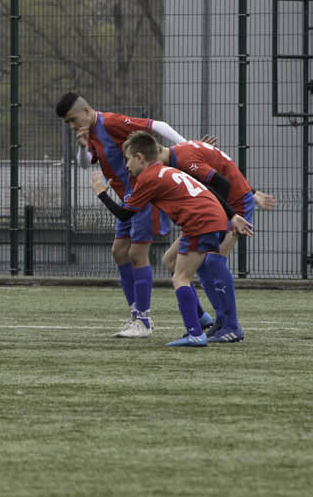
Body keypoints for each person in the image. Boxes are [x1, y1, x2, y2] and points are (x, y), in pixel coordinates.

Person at [92, 131, 253, 347]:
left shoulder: (148, 178)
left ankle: (196, 333)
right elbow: (207, 190)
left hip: (200, 220)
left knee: (181, 277)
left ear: (140, 157)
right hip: (210, 215)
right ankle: (202, 319)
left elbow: (124, 214)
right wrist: (230, 215)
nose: (126, 165)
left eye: (128, 159)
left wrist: (102, 193)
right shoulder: (165, 169)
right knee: (170, 259)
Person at [55, 92, 189, 338]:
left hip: (143, 196)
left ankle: (144, 321)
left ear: (86, 111)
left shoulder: (112, 123)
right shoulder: (91, 132)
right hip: (127, 199)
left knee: (137, 253)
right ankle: (137, 315)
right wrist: (82, 145)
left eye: (73, 120)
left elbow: (158, 126)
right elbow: (85, 163)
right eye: (69, 124)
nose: (73, 126)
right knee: (119, 252)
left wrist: (188, 147)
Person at [158, 138, 276, 343]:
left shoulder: (183, 159)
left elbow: (222, 182)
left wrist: (226, 211)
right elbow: (224, 169)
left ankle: (231, 326)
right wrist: (253, 191)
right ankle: (215, 321)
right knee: (182, 260)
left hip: (235, 206)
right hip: (223, 205)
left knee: (213, 260)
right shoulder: (181, 154)